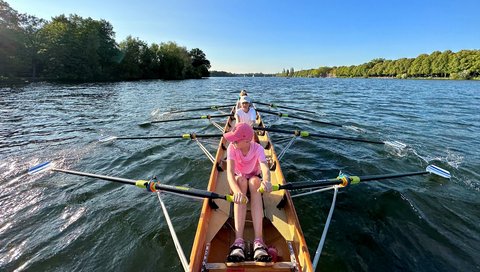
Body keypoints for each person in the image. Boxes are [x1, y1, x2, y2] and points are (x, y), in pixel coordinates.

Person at [224, 122, 273, 263]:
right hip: (240, 179)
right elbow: (229, 174)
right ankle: (238, 241)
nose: (231, 141)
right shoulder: (231, 148)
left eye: (235, 139)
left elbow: (265, 168)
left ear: (246, 141)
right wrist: (237, 192)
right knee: (242, 182)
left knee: (254, 182)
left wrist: (267, 181)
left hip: (254, 178)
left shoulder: (258, 148)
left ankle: (259, 241)